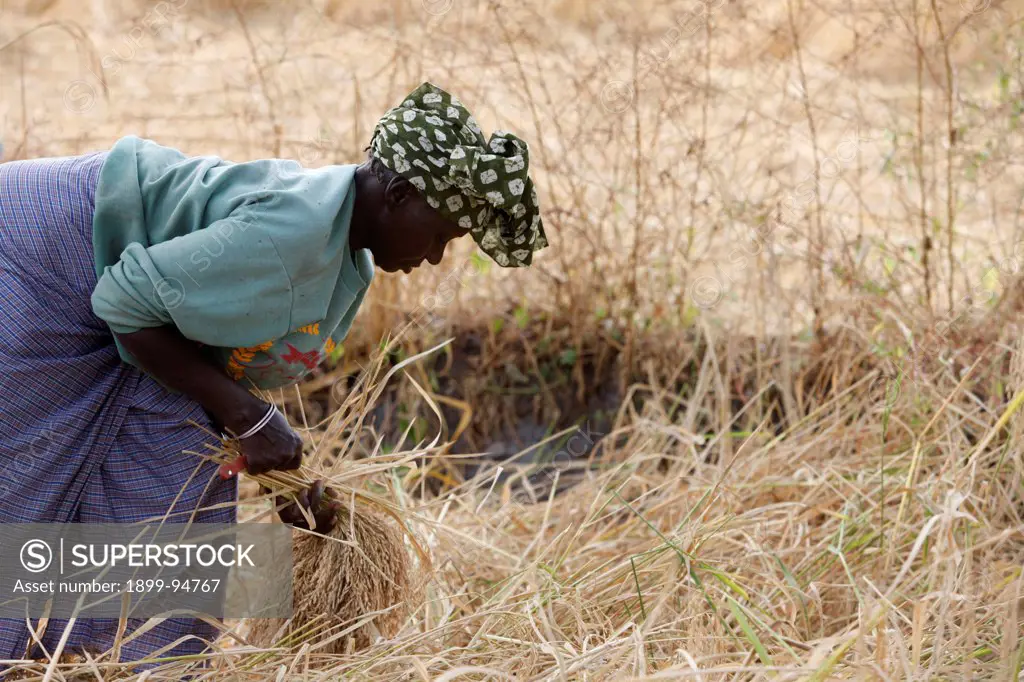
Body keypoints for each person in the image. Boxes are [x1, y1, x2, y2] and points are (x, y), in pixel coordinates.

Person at [0, 82, 547, 663]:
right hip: (35, 262)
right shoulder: (294, 234)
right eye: (440, 235)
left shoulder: (340, 248)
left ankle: (114, 663)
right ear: (400, 193)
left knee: (175, 472)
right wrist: (248, 415)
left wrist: (276, 466)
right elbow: (124, 303)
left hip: (102, 295)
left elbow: (203, 347)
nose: (435, 257)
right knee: (30, 479)